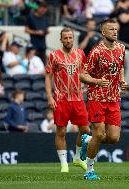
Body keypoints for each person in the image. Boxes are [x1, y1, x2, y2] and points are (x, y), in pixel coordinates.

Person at [79, 19, 128, 180]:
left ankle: (88, 140)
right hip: (97, 97)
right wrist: (97, 81)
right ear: (103, 32)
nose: (114, 31)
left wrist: (122, 80)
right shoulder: (96, 52)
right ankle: (89, 171)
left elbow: (119, 66)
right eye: (111, 29)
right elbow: (82, 75)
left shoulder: (121, 48)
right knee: (99, 134)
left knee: (113, 138)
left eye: (116, 29)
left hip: (114, 98)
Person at [45, 27, 90, 173]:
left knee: (85, 130)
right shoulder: (54, 55)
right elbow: (48, 76)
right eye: (65, 38)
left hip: (77, 98)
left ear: (73, 38)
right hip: (61, 98)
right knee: (61, 131)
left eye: (70, 37)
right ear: (61, 39)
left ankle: (77, 158)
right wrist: (50, 96)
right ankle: (64, 164)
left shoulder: (80, 54)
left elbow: (84, 73)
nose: (68, 40)